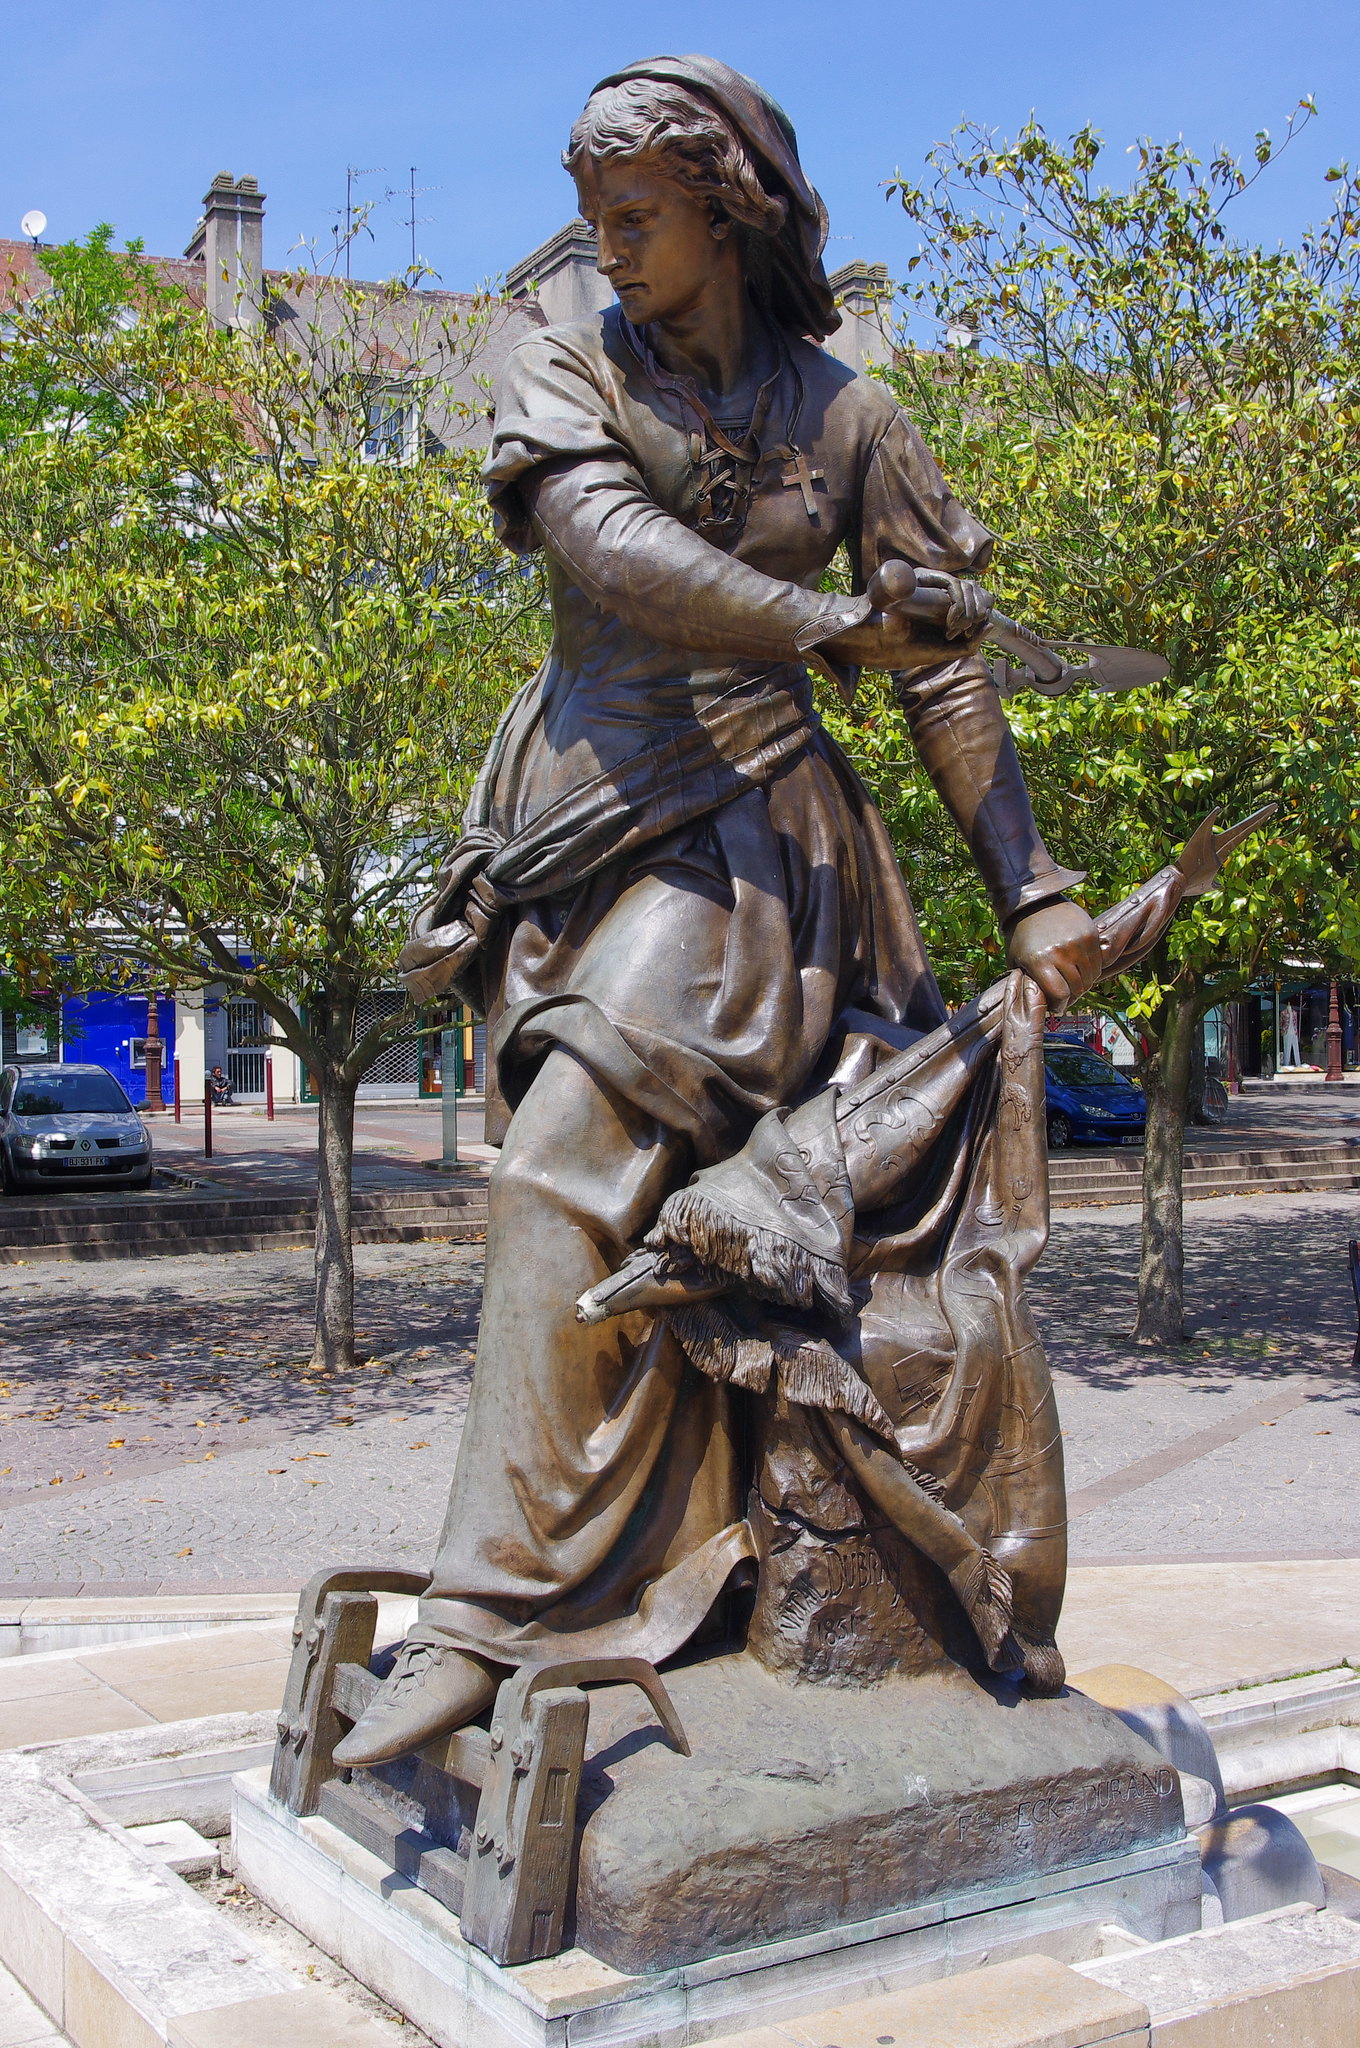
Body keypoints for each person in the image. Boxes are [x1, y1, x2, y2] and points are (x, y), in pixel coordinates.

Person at [337, 55, 1101, 1767]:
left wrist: (1034, 893)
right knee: (624, 1203)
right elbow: (598, 540)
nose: (606, 245)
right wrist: (823, 620)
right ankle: (649, 1572)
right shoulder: (562, 353)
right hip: (576, 827)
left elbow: (948, 686)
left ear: (728, 206)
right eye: (598, 214)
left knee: (565, 1172)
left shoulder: (855, 420)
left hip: (751, 847)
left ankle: (496, 1608)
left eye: (637, 216)